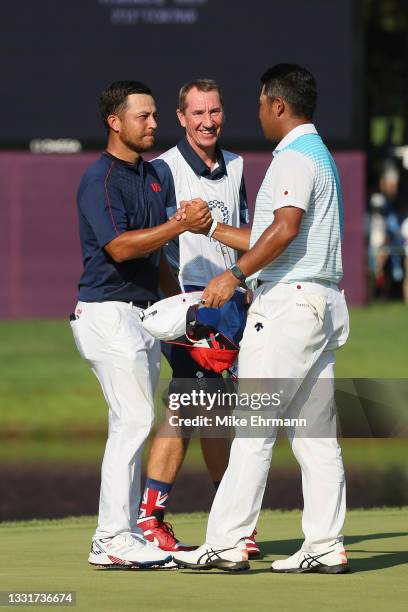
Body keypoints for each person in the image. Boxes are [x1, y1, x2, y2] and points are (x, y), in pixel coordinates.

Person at [173, 64, 350, 573]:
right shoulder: (318, 155)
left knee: (253, 431)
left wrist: (234, 276)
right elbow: (273, 235)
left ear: (277, 105)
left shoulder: (293, 158)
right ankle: (324, 545)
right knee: (316, 438)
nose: (256, 113)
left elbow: (285, 229)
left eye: (258, 104)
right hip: (318, 304)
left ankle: (226, 543)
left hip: (289, 308)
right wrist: (216, 231)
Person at [70, 80, 211, 568]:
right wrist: (180, 225)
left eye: (154, 116)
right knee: (133, 422)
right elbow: (120, 247)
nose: (153, 124)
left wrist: (183, 319)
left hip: (144, 316)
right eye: (143, 117)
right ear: (115, 122)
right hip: (106, 314)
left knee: (130, 422)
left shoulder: (156, 176)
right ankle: (112, 539)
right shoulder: (99, 179)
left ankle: (123, 533)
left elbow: (157, 256)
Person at [136, 79, 259, 556]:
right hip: (187, 305)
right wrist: (183, 311)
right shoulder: (163, 168)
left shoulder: (237, 165)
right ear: (182, 118)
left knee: (215, 409)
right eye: (198, 113)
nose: (208, 121)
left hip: (229, 303)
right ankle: (152, 518)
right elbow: (154, 244)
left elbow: (245, 229)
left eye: (215, 111)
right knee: (188, 403)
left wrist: (243, 287)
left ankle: (228, 522)